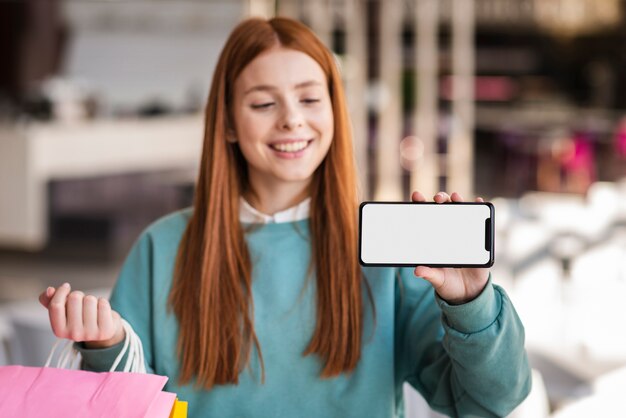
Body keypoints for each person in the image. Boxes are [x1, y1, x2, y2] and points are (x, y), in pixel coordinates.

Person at [39, 17, 531, 417]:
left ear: (334, 112)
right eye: (263, 103)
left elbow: (492, 402)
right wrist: (107, 344)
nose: (292, 118)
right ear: (228, 122)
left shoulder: (391, 250)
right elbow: (128, 407)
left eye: (310, 98)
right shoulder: (163, 246)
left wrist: (471, 303)